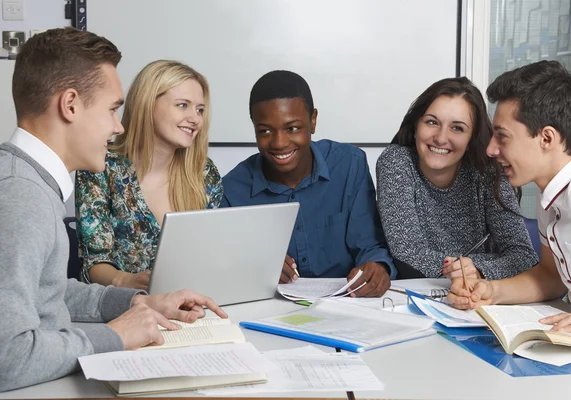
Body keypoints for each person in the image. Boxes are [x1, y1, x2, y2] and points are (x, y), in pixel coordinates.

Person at [0, 28, 226, 392]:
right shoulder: (19, 196)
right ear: (70, 105)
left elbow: (50, 293)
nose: (119, 125)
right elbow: (7, 358)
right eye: (112, 109)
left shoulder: (31, 183)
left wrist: (141, 301)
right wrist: (113, 336)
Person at [448, 61, 571, 339]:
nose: (491, 149)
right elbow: (551, 277)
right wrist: (491, 290)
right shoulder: (552, 195)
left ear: (546, 138)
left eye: (502, 137)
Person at [221, 70, 395, 297]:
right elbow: (222, 263)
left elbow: (370, 245)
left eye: (292, 128)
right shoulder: (231, 190)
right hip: (269, 313)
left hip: (347, 306)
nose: (279, 143)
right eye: (264, 131)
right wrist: (252, 266)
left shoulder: (349, 165)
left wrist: (377, 267)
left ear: (313, 121)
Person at [76, 60, 222, 290]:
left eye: (200, 109)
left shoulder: (204, 173)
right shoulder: (101, 168)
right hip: (128, 310)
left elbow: (210, 256)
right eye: (183, 105)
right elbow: (94, 263)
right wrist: (125, 280)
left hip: (190, 305)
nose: (195, 119)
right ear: (147, 104)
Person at [377, 77, 538, 280]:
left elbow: (524, 256)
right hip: (417, 292)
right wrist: (465, 269)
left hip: (482, 295)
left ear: (472, 138)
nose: (441, 138)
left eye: (457, 128)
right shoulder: (396, 161)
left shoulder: (488, 170)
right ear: (416, 126)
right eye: (432, 122)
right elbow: (407, 252)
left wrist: (477, 270)